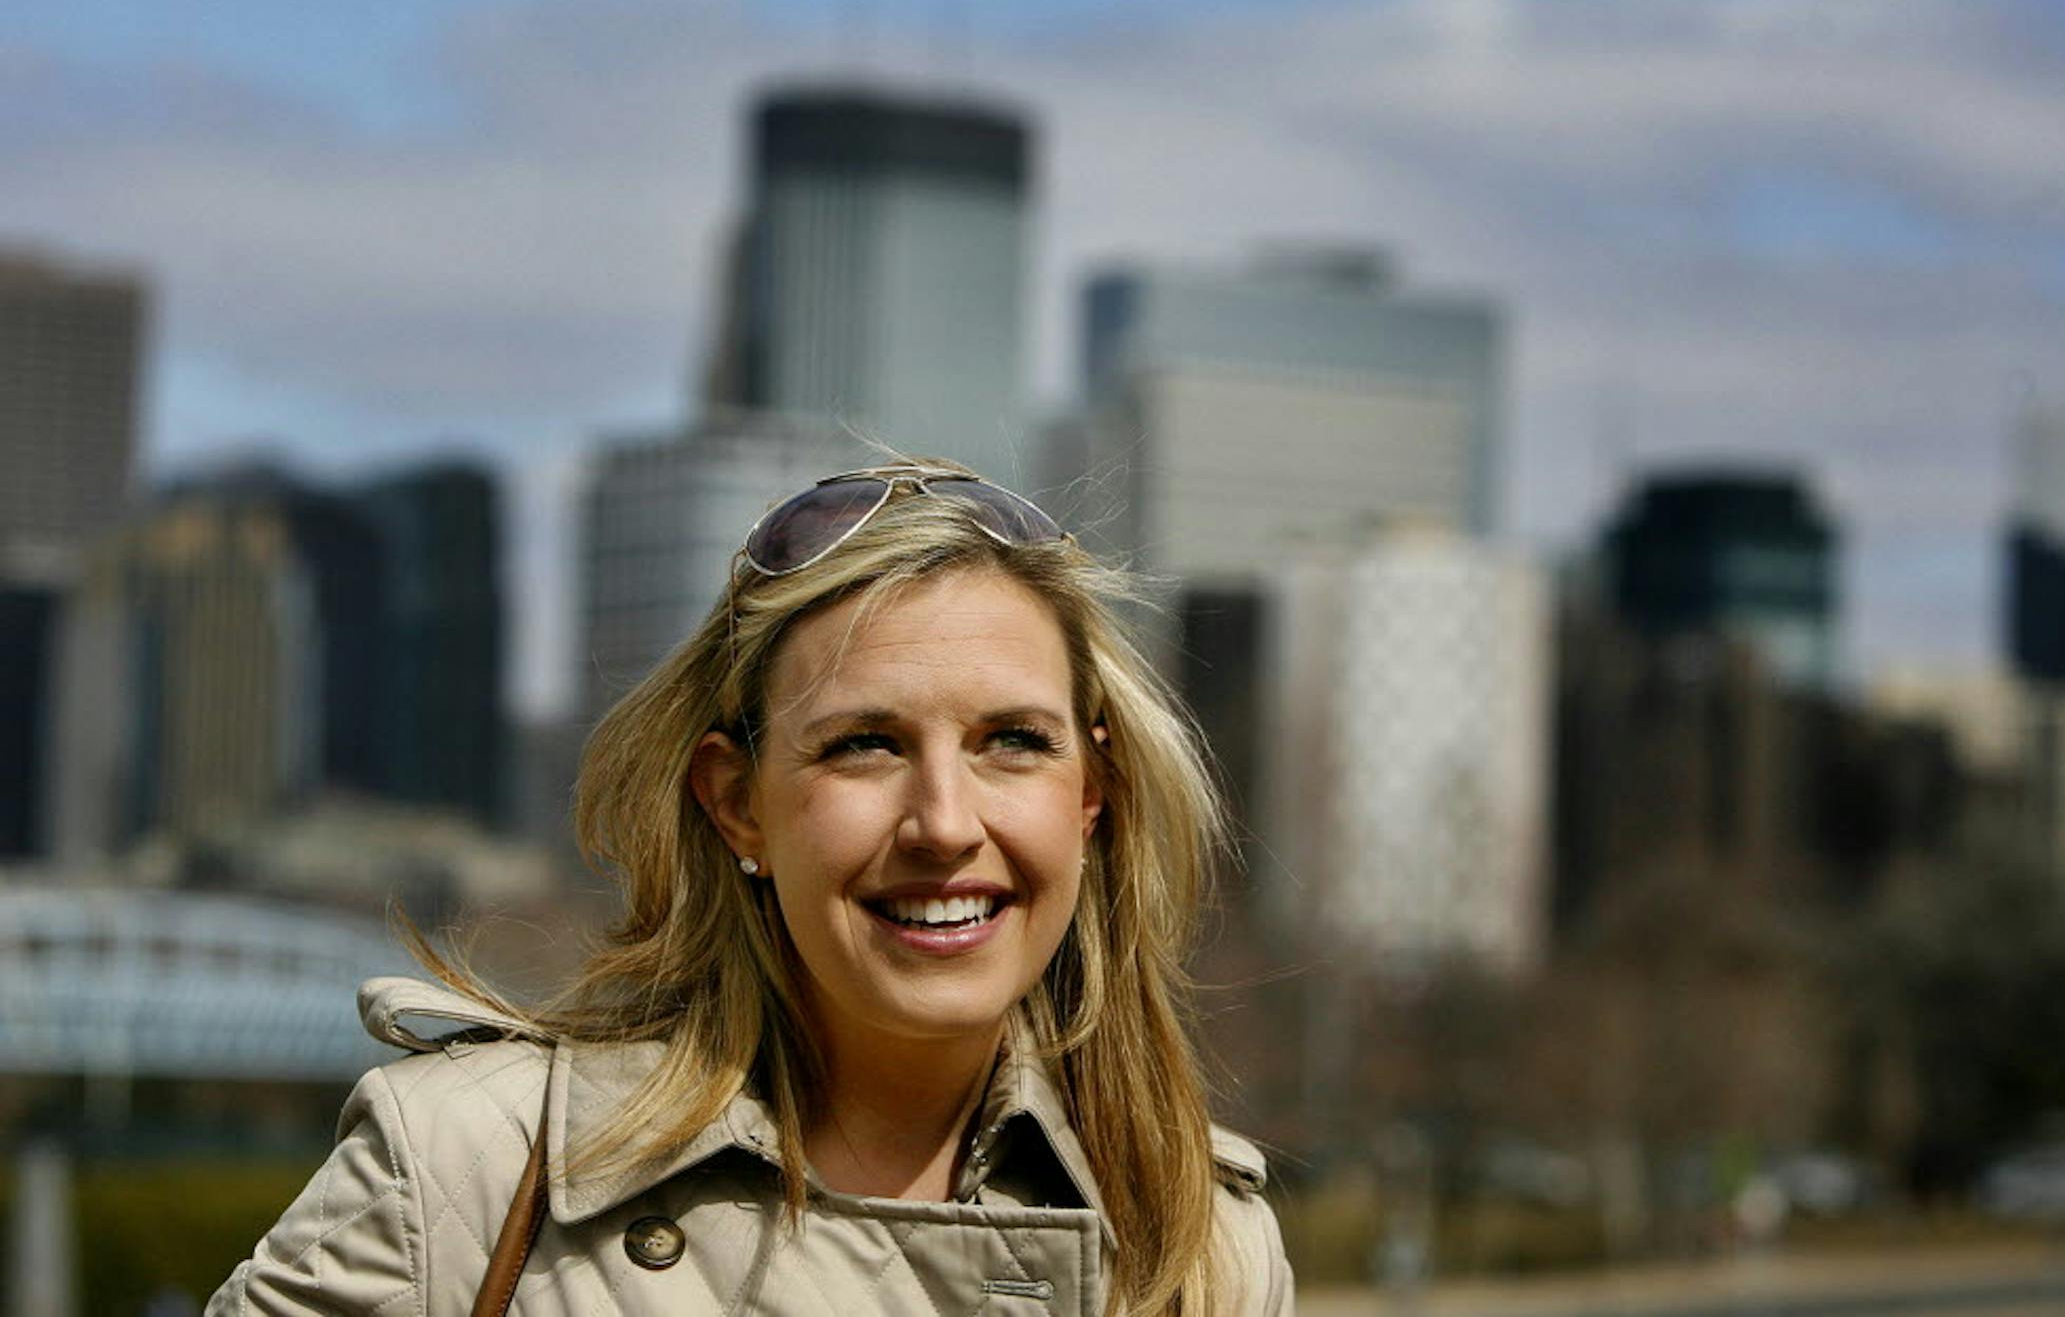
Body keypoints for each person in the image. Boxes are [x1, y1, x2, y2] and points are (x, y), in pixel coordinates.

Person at [210, 460, 1294, 1315]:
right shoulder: (463, 1169)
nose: (946, 823)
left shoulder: (1206, 1246)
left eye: (1013, 741)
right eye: (865, 744)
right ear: (737, 804)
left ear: (1090, 794)